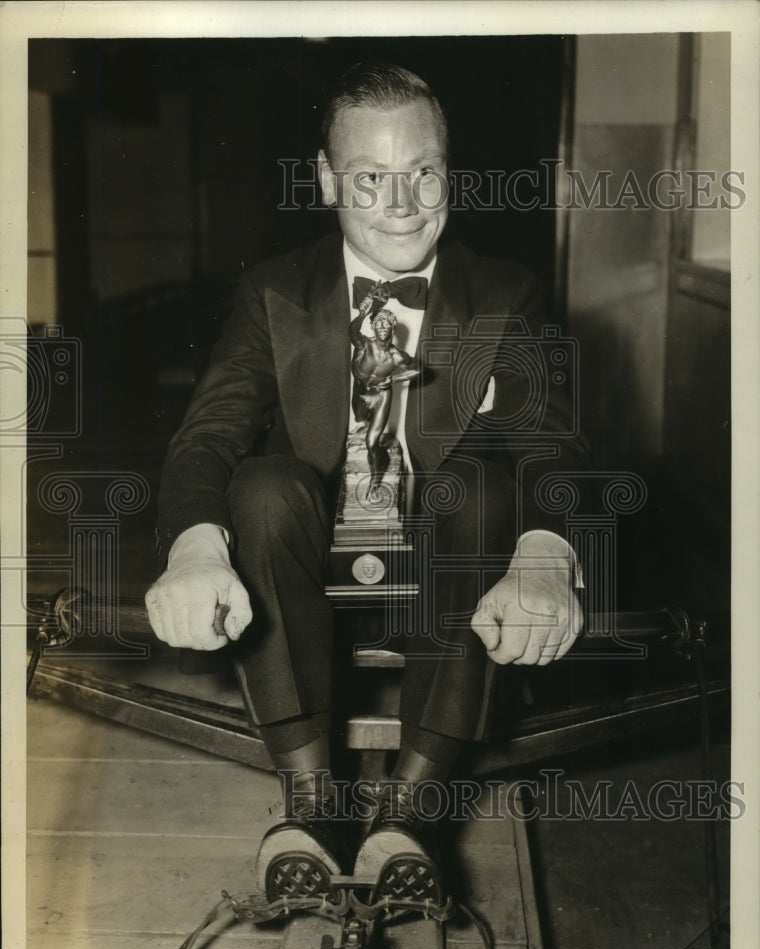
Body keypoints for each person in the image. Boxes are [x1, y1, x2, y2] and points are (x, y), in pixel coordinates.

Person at [146, 60, 591, 902]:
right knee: (265, 485)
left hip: (454, 566)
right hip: (306, 556)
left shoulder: (505, 294)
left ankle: (411, 816)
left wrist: (544, 554)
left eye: (423, 173)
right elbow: (207, 435)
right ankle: (310, 805)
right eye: (370, 178)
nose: (401, 206)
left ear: (449, 170)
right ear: (325, 179)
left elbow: (552, 443)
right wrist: (195, 547)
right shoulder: (274, 290)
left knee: (484, 487)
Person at [349, 296, 418, 498]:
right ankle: (372, 442)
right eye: (377, 322)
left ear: (393, 328)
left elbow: (420, 370)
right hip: (360, 391)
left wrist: (395, 380)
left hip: (381, 397)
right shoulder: (363, 345)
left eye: (385, 323)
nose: (380, 326)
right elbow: (352, 331)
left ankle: (375, 480)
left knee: (371, 442)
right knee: (359, 418)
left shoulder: (397, 357)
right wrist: (362, 314)